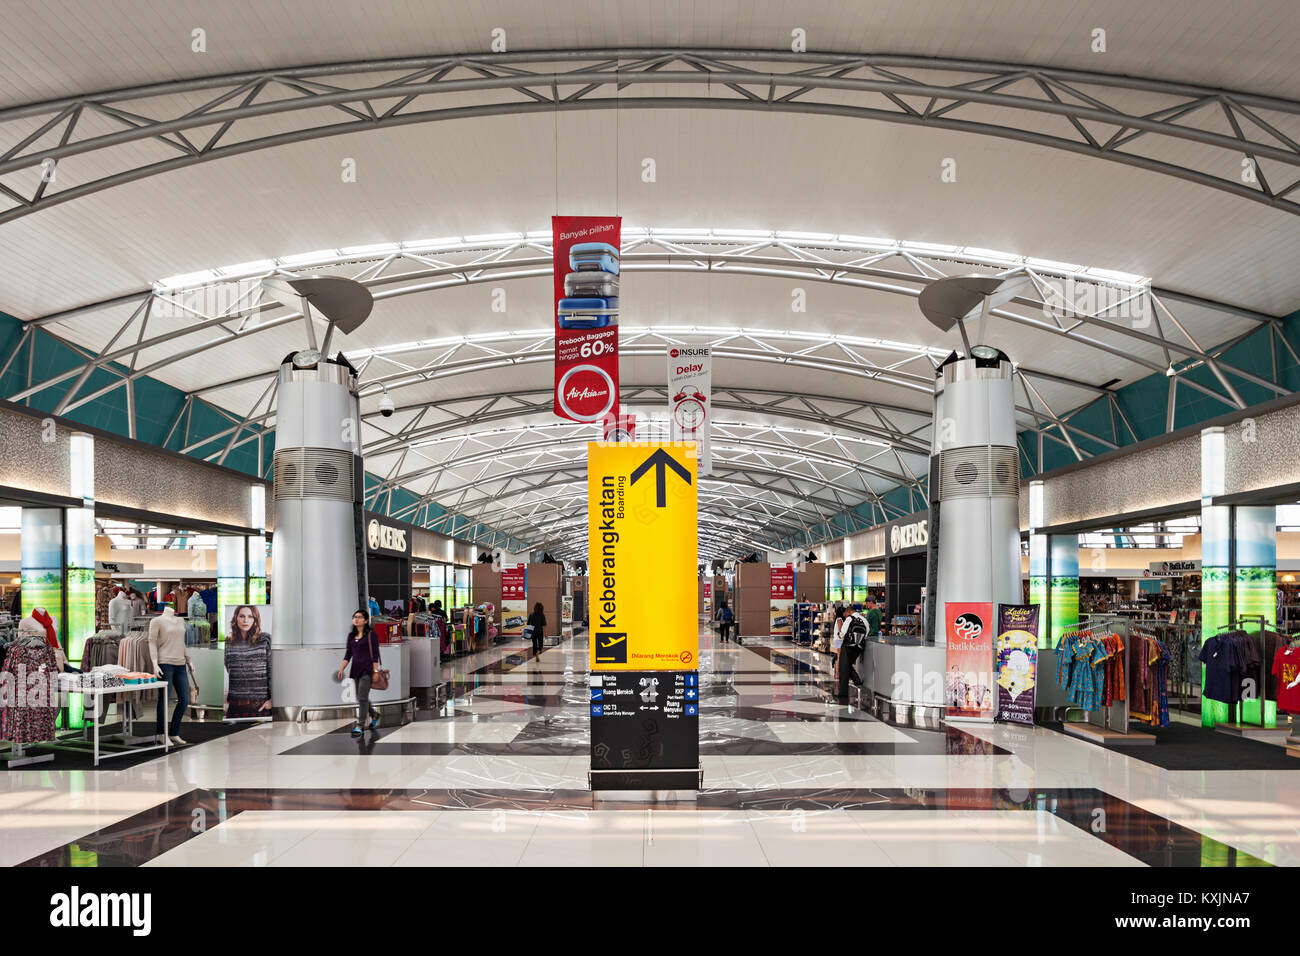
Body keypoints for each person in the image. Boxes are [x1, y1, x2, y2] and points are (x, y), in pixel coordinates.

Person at [337, 609, 381, 737]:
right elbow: (348, 654)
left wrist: (375, 671)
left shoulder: (371, 635)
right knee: (360, 696)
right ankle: (374, 714)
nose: (356, 619)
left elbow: (375, 654)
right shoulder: (351, 636)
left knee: (362, 697)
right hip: (355, 670)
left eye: (360, 617)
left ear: (366, 620)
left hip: (367, 670)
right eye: (355, 617)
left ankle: (360, 725)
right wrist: (341, 669)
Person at [225, 604, 272, 719]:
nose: (245, 620)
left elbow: (273, 671)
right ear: (236, 618)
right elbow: (229, 669)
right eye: (242, 616)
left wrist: (273, 700)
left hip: (260, 706)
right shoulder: (228, 643)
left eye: (250, 616)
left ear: (255, 620)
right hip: (235, 707)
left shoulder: (264, 639)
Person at [835, 608, 868, 700]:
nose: (845, 615)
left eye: (845, 613)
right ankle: (857, 681)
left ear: (849, 611)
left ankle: (843, 693)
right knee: (848, 665)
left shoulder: (850, 619)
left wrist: (839, 634)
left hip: (848, 646)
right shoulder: (864, 620)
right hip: (859, 648)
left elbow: (842, 634)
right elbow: (867, 633)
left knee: (843, 668)